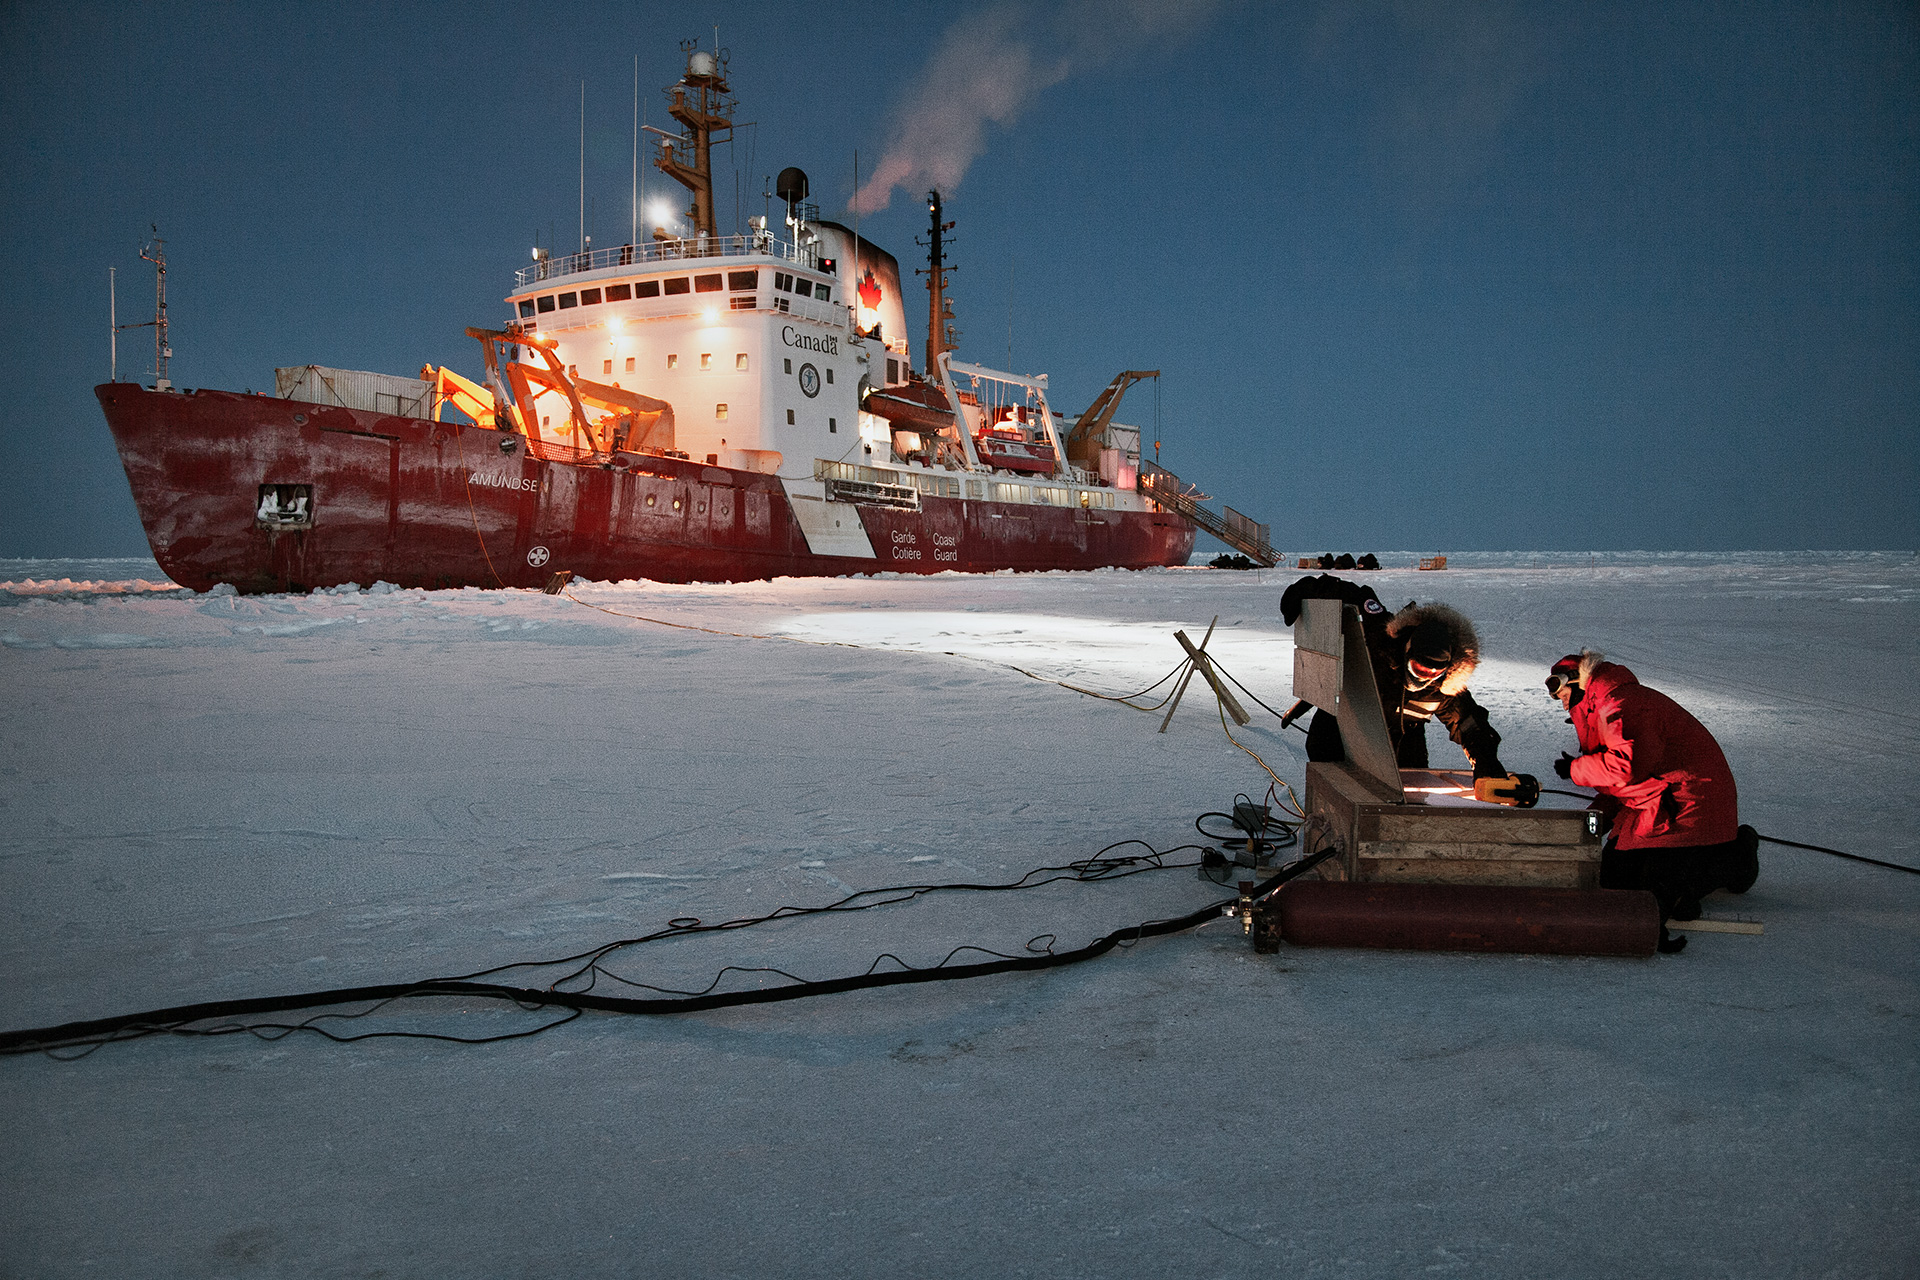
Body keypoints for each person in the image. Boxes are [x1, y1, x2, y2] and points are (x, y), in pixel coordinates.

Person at [1548, 651, 1759, 928]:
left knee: (1655, 894)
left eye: (1562, 696)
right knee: (1613, 881)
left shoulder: (1623, 705)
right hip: (1655, 806)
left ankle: (1736, 856)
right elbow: (1621, 784)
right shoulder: (1603, 707)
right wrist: (1594, 821)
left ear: (1577, 683)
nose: (1563, 706)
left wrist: (1576, 769)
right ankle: (1680, 878)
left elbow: (1625, 768)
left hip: (1689, 806)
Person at [1279, 574, 1509, 778]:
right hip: (1341, 732)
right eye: (1420, 669)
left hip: (1403, 754)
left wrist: (1485, 759)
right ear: (1408, 652)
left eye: (1434, 672)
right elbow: (1353, 596)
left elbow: (1470, 723)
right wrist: (1306, 590)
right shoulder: (1380, 642)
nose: (1425, 677)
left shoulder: (1445, 687)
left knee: (1405, 791)